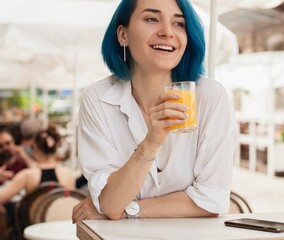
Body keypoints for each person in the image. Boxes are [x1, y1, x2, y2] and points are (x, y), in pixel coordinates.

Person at [72, 0, 237, 222]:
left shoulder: (210, 97)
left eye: (179, 23)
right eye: (152, 19)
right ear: (123, 35)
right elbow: (110, 203)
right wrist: (151, 142)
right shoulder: (98, 99)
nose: (168, 32)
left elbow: (212, 200)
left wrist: (130, 209)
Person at [0, 125, 75, 204]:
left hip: (34, 216)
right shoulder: (68, 174)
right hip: (63, 216)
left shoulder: (27, 175)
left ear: (35, 147)